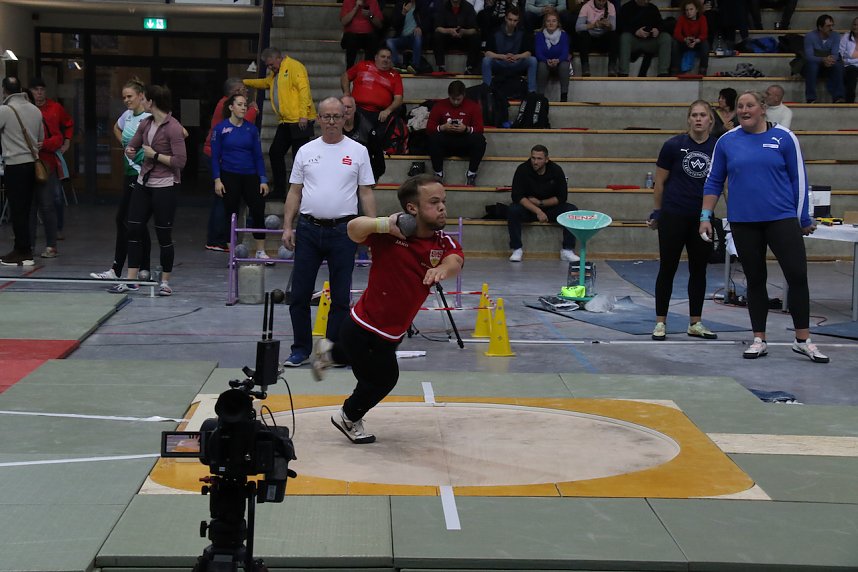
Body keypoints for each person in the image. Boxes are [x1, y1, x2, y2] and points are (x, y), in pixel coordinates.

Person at [311, 174, 464, 444]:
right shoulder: (389, 235)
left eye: (443, 201)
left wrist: (442, 268)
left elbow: (455, 260)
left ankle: (329, 353)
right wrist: (383, 224)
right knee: (382, 380)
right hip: (363, 326)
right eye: (433, 202)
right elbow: (353, 229)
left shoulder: (442, 242)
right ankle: (347, 416)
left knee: (359, 363)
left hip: (392, 332)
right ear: (412, 208)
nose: (442, 207)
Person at [700, 90, 829, 363]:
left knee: (797, 275)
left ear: (762, 109)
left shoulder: (784, 137)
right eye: (740, 106)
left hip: (781, 219)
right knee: (755, 279)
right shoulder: (726, 141)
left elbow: (799, 179)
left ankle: (802, 340)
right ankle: (759, 339)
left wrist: (803, 218)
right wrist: (705, 216)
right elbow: (713, 181)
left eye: (750, 105)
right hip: (744, 222)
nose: (744, 110)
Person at [280, 98, 377, 367]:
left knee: (340, 297)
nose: (332, 121)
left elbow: (366, 193)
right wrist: (287, 226)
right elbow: (294, 192)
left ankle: (332, 352)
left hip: (344, 232)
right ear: (318, 119)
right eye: (326, 116)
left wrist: (372, 229)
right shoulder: (305, 151)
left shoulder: (358, 151)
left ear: (345, 118)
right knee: (299, 295)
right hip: (308, 230)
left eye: (337, 116)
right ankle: (300, 349)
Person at [647, 100, 718, 341]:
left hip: (702, 219)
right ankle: (660, 322)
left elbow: (724, 184)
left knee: (699, 270)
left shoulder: (718, 148)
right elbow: (659, 183)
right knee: (667, 268)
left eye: (703, 115)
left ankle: (695, 323)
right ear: (688, 119)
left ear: (711, 120)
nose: (698, 119)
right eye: (694, 115)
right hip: (673, 216)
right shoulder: (673, 146)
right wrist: (657, 212)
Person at [123, 84, 188, 297]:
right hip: (144, 182)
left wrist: (155, 155)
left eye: (144, 99)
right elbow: (133, 145)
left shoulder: (173, 127)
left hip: (165, 185)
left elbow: (180, 161)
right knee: (133, 228)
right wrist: (130, 150)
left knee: (163, 234)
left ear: (151, 102)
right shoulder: (145, 123)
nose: (141, 102)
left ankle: (165, 282)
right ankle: (131, 279)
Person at [91, 78, 153, 287]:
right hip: (129, 173)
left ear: (141, 96)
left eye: (130, 96)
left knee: (127, 221)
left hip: (142, 175)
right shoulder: (127, 115)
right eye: (124, 97)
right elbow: (116, 128)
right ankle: (143, 270)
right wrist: (126, 144)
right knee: (133, 223)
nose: (126, 100)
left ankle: (119, 270)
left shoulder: (148, 118)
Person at [244, 47, 315, 199]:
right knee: (275, 152)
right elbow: (265, 82)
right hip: (286, 121)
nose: (270, 68)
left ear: (278, 58)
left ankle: (302, 194)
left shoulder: (294, 66)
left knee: (300, 158)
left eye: (271, 64)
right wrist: (245, 82)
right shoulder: (276, 73)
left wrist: (303, 115)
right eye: (268, 66)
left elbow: (304, 91)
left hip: (299, 121)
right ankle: (280, 190)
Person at [211, 94, 270, 261]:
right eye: (240, 104)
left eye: (245, 105)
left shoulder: (251, 129)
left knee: (258, 209)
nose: (244, 108)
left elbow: (258, 156)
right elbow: (215, 157)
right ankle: (232, 253)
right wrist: (217, 179)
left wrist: (263, 179)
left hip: (250, 175)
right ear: (231, 107)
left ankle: (260, 250)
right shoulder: (220, 129)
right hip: (229, 175)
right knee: (230, 213)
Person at [203, 78, 259, 252]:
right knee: (223, 200)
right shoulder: (225, 105)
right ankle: (218, 239)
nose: (246, 93)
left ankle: (218, 238)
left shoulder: (224, 103)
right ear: (234, 93)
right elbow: (240, 124)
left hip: (220, 154)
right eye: (242, 90)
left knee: (223, 199)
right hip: (218, 155)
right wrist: (253, 110)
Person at [507, 144, 579, 262]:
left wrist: (541, 203)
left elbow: (562, 197)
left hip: (550, 208)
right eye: (533, 158)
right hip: (529, 209)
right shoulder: (522, 169)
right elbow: (517, 196)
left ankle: (567, 250)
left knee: (571, 210)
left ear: (546, 159)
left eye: (539, 159)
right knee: (513, 210)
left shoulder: (556, 170)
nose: (535, 162)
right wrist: (538, 211)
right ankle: (516, 249)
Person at [0, 77, 43, 267]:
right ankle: (25, 249)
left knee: (17, 210)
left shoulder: (5, 110)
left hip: (15, 165)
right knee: (26, 209)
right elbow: (40, 138)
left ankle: (22, 251)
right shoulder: (35, 110)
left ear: (4, 90)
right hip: (32, 165)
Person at [30, 77, 72, 252]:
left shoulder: (55, 108)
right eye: (36, 89)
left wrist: (66, 142)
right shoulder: (27, 110)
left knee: (52, 200)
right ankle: (29, 245)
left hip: (48, 161)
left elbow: (66, 126)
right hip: (29, 161)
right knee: (31, 206)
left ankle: (53, 238)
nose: (39, 93)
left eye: (42, 89)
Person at [426, 80, 486, 184]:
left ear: (464, 95)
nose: (455, 102)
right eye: (453, 99)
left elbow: (480, 129)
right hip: (446, 143)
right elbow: (429, 128)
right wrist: (443, 127)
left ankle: (471, 173)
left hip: (464, 142)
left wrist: (466, 129)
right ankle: (438, 174)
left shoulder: (473, 106)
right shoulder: (439, 105)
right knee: (433, 138)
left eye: (458, 99)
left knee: (480, 140)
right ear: (449, 95)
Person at [341, 47, 404, 128]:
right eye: (383, 56)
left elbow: (398, 99)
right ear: (376, 57)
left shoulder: (395, 76)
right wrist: (346, 93)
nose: (386, 60)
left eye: (388, 58)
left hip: (379, 113)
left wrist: (388, 110)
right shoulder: (362, 65)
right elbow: (345, 76)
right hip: (357, 109)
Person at [482, 8, 538, 94]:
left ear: (518, 21)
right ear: (505, 18)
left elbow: (529, 53)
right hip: (500, 63)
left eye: (515, 20)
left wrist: (517, 56)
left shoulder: (523, 32)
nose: (512, 23)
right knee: (486, 60)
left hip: (516, 63)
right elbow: (487, 53)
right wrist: (502, 57)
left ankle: (531, 92)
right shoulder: (495, 32)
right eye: (510, 19)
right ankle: (487, 92)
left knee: (533, 60)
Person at [617, 0, 672, 77]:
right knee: (625, 37)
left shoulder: (653, 8)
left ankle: (663, 73)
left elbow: (660, 23)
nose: (646, 1)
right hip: (634, 40)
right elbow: (621, 26)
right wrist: (636, 31)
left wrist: (657, 30)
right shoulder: (626, 7)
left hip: (650, 41)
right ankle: (623, 73)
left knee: (665, 37)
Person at [803, 14, 846, 104]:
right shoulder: (810, 36)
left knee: (838, 66)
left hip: (829, 63)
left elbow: (835, 54)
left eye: (832, 25)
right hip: (815, 63)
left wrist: (829, 60)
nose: (831, 28)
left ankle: (838, 97)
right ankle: (811, 98)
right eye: (828, 26)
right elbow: (809, 56)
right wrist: (823, 59)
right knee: (812, 66)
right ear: (820, 27)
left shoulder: (835, 35)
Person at [341, 95, 385, 181]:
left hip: (362, 174)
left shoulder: (367, 127)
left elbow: (378, 155)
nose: (346, 110)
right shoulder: (333, 126)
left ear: (355, 108)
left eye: (349, 107)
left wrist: (375, 176)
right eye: (343, 107)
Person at [434, 0, 482, 74]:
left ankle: (469, 67)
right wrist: (449, 31)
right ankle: (441, 66)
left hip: (463, 39)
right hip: (448, 39)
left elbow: (475, 29)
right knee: (437, 35)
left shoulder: (468, 7)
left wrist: (464, 31)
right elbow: (437, 28)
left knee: (476, 37)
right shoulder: (443, 7)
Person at [535, 10, 571, 101]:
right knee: (541, 65)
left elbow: (565, 53)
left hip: (559, 64)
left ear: (558, 23)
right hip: (546, 63)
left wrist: (558, 60)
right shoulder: (539, 35)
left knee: (564, 64)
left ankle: (564, 96)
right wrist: (546, 60)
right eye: (548, 21)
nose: (551, 23)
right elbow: (538, 53)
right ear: (545, 23)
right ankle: (540, 97)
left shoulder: (563, 35)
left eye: (554, 21)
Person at [576, 0, 618, 77]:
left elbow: (613, 27)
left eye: (603, 1)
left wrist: (608, 25)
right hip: (589, 41)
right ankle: (585, 67)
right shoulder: (586, 7)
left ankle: (612, 68)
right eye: (599, 0)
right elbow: (578, 27)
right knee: (583, 34)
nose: (601, 3)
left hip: (603, 41)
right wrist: (594, 25)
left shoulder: (611, 6)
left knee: (613, 35)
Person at [340, 0, 384, 68]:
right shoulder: (348, 1)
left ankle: (368, 68)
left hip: (367, 36)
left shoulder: (373, 1)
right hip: (351, 36)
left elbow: (380, 25)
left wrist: (370, 15)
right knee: (351, 38)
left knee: (373, 38)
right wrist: (356, 8)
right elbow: (343, 22)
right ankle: (350, 69)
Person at [672, 0, 709, 75]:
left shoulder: (702, 18)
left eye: (691, 9)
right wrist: (685, 39)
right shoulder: (682, 18)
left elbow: (704, 34)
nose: (689, 12)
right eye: (687, 10)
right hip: (685, 42)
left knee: (705, 44)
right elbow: (676, 33)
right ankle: (675, 70)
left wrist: (696, 40)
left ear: (697, 10)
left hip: (697, 42)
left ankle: (702, 70)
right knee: (675, 44)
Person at [387, 0, 425, 73]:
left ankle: (415, 66)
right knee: (389, 41)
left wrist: (420, 28)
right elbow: (395, 25)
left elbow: (427, 21)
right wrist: (403, 13)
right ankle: (397, 64)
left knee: (418, 38)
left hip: (414, 37)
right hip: (402, 38)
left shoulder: (421, 6)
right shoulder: (400, 5)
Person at [838, 16, 858, 103]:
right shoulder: (846, 37)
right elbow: (840, 53)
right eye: (854, 24)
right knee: (852, 70)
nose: (855, 27)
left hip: (852, 63)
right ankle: (849, 102)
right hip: (848, 66)